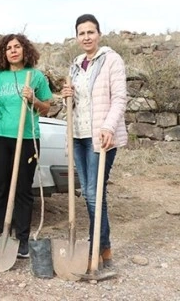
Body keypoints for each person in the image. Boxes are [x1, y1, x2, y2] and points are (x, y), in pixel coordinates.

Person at [61, 14, 127, 269]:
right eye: (81, 33)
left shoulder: (112, 60)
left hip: (101, 136)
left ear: (99, 34)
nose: (86, 37)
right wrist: (68, 96)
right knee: (92, 194)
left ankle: (96, 246)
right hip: (78, 135)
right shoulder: (76, 65)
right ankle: (105, 248)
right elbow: (76, 103)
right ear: (77, 37)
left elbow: (120, 98)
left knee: (92, 193)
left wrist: (109, 126)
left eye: (90, 32)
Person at [0, 33, 52, 259]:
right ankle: (3, 233)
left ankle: (22, 238)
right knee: (0, 186)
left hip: (28, 137)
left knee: (22, 188)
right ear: (4, 53)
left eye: (17, 47)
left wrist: (34, 100)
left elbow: (46, 109)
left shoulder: (36, 76)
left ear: (25, 50)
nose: (13, 50)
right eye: (8, 48)